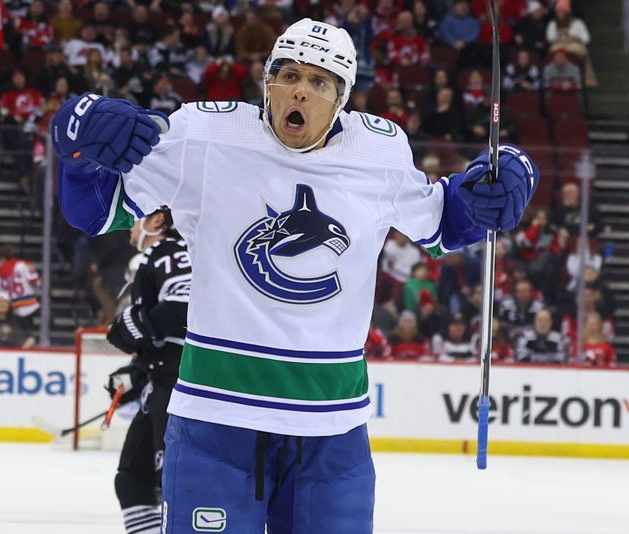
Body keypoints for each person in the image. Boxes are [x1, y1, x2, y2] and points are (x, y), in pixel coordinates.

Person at [50, 18, 539, 532]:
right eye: (287, 74)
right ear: (268, 83)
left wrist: (503, 179)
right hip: (216, 425)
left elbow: (444, 221)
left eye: (319, 81)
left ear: (341, 98)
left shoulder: (379, 152)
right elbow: (96, 211)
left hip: (332, 437)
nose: (299, 90)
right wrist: (79, 150)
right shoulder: (206, 135)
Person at [106, 208, 191, 534]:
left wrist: (129, 326)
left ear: (157, 220)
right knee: (132, 480)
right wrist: (138, 371)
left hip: (180, 387)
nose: (128, 226)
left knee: (173, 483)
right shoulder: (162, 255)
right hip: (161, 381)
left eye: (134, 217)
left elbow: (184, 307)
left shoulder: (173, 249)